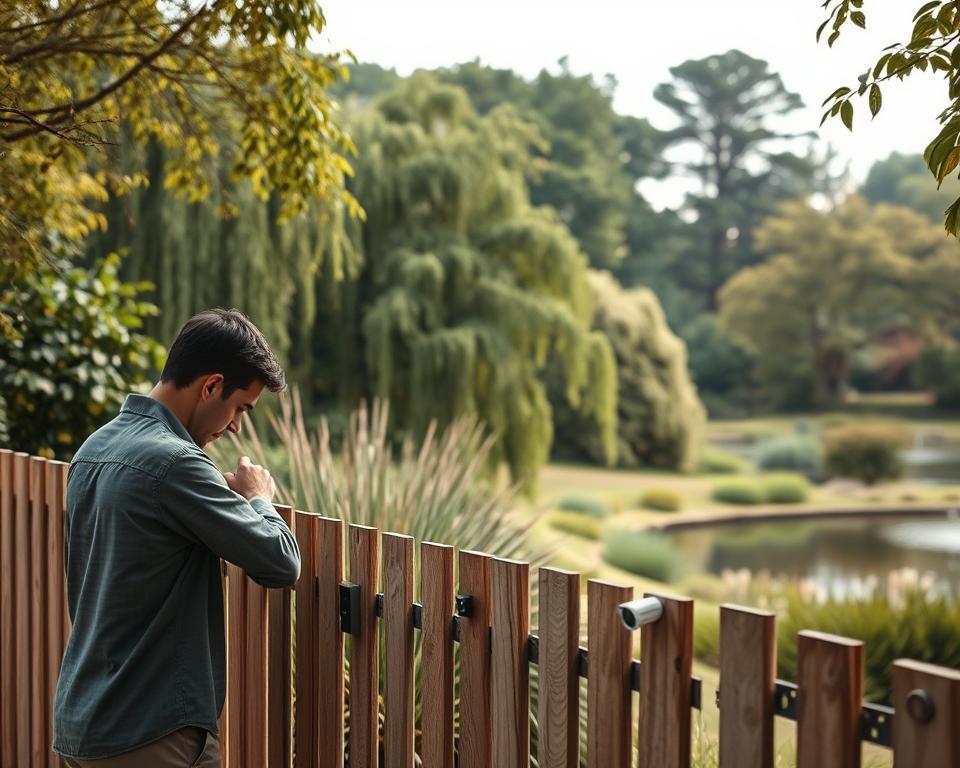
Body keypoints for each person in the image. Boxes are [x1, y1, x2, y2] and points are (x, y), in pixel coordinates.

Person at [52, 309, 301, 768]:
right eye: (241, 408)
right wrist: (258, 497)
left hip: (83, 722)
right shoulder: (177, 463)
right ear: (210, 386)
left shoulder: (95, 448)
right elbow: (280, 561)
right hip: (151, 732)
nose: (235, 427)